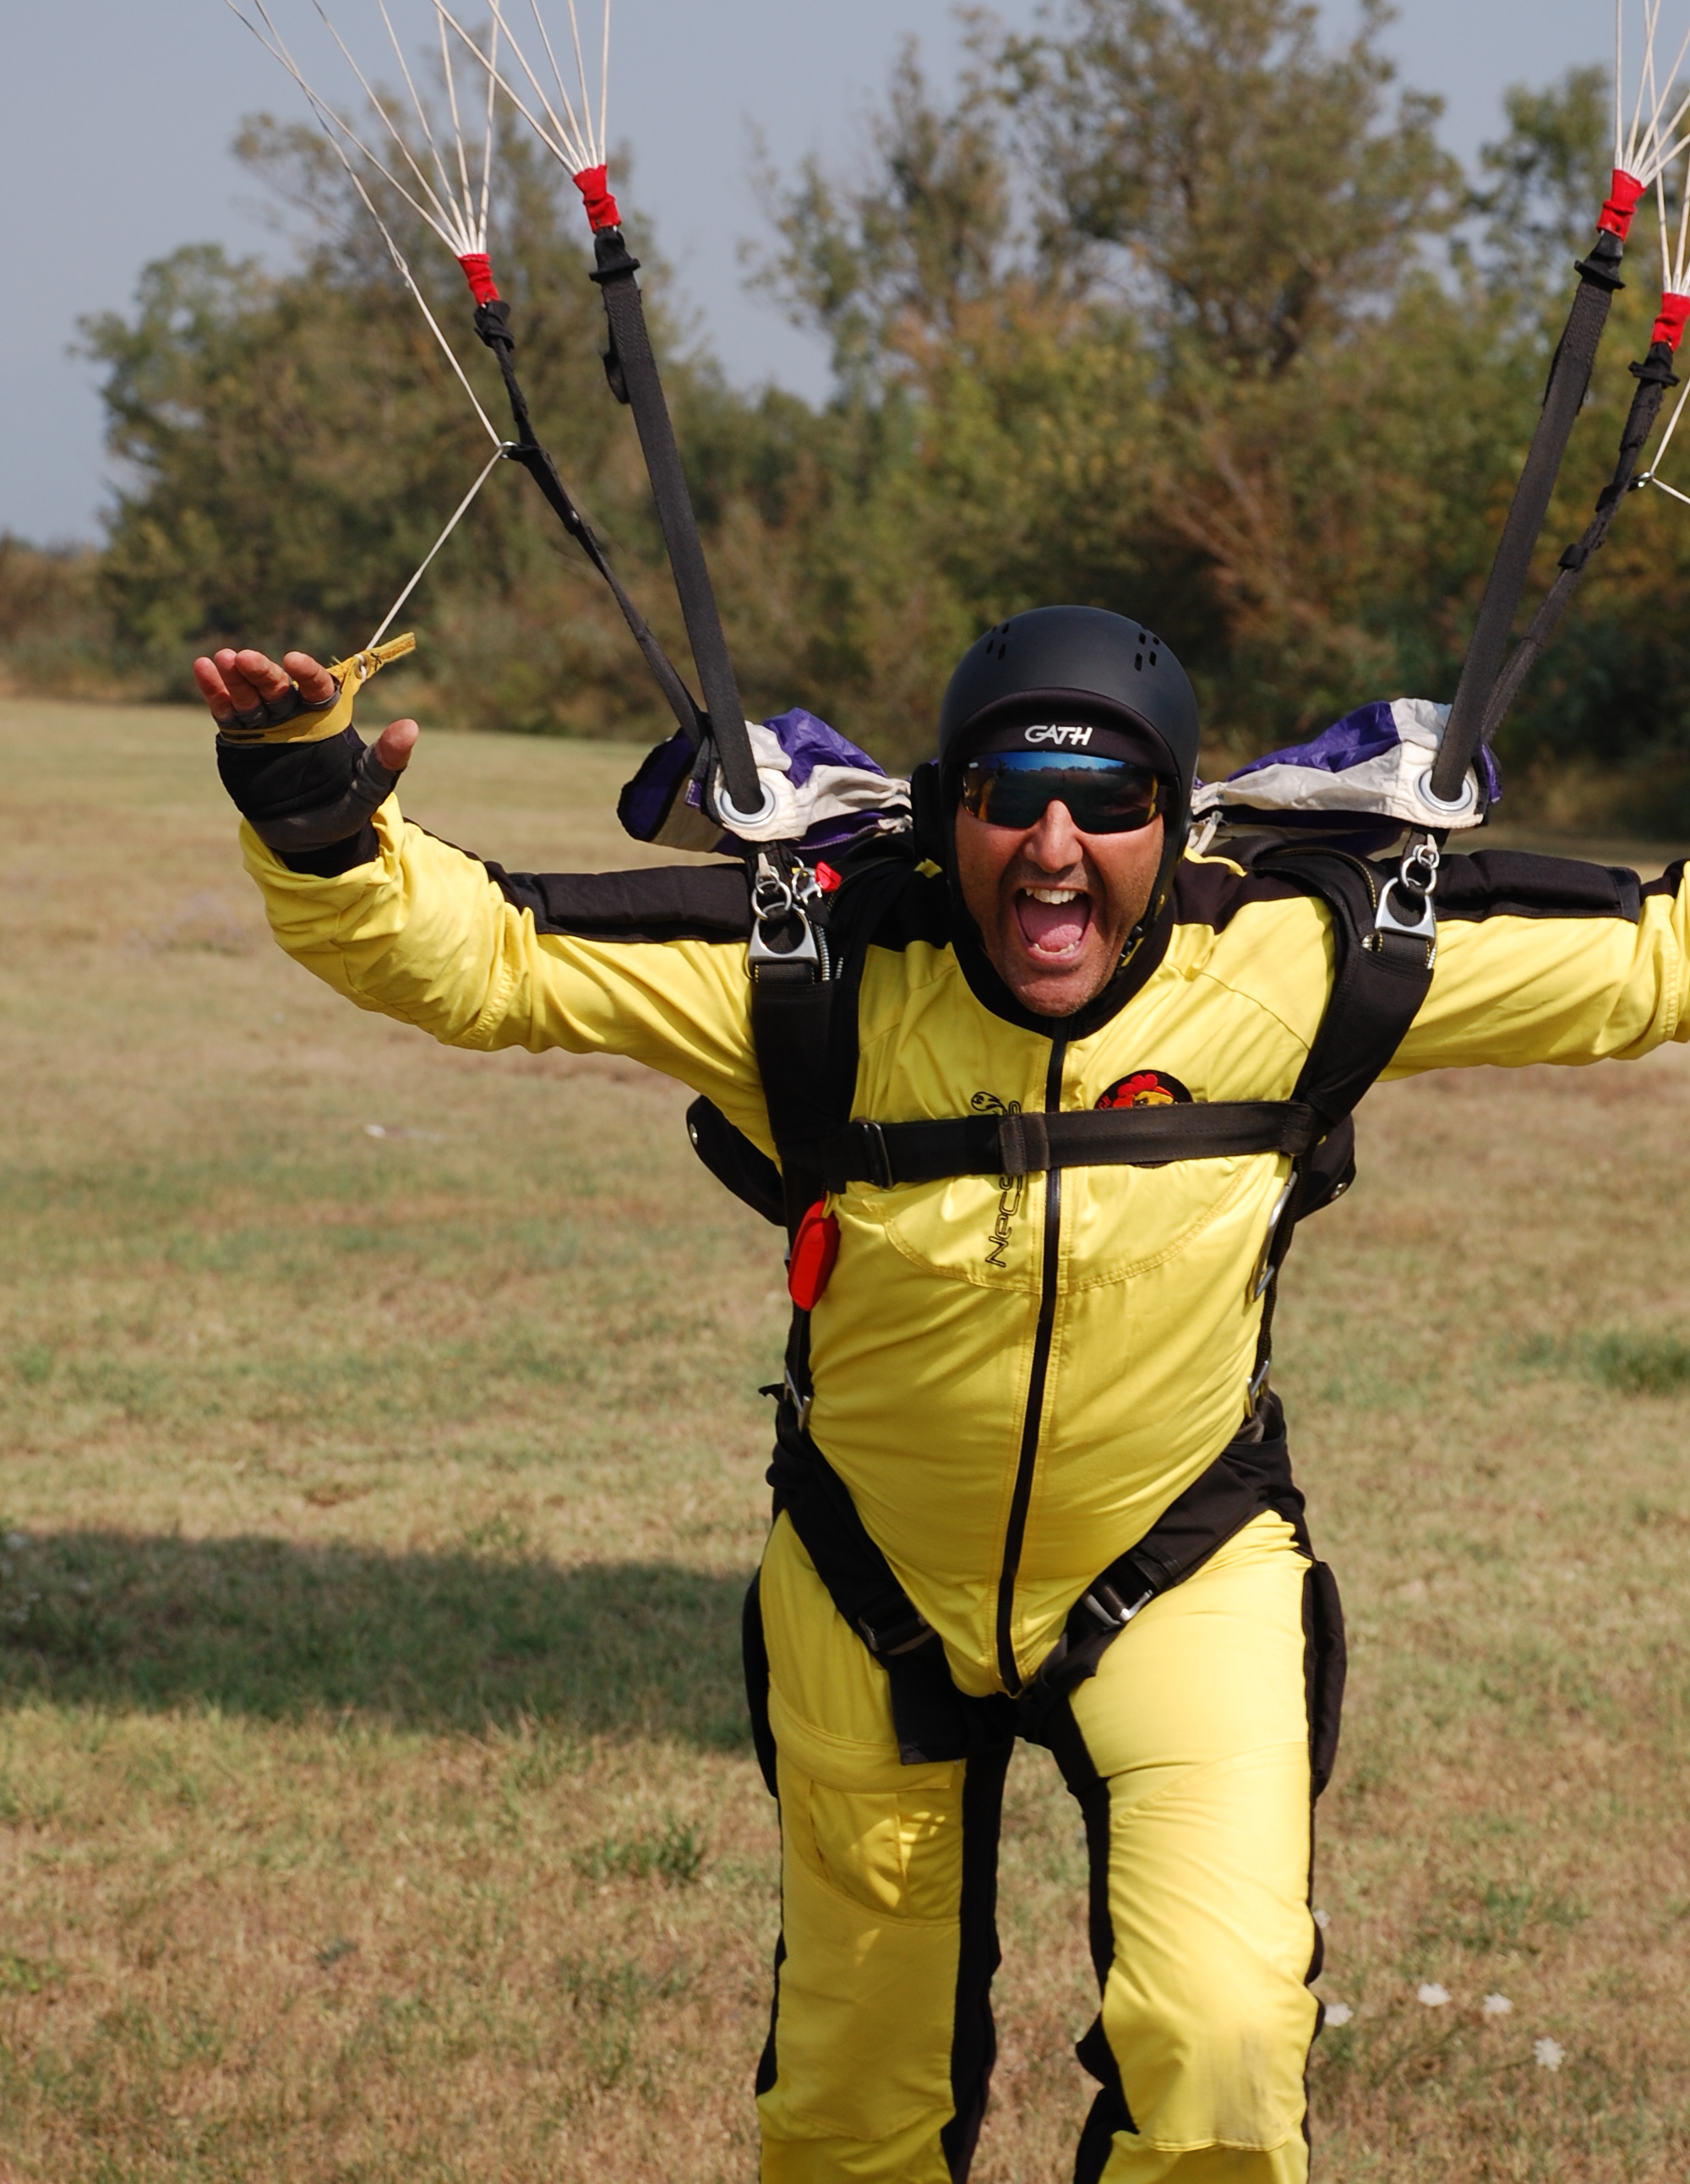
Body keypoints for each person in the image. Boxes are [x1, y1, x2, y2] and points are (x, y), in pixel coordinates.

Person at [194, 606, 1690, 2184]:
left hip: (1179, 1572)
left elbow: (1656, 960)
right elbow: (485, 955)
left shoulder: (1299, 968)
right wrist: (306, 800)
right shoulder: (811, 975)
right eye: (1012, 798)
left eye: (1109, 801)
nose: (1057, 847)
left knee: (1227, 2050)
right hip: (870, 1589)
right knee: (849, 2107)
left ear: (1170, 825)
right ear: (944, 817)